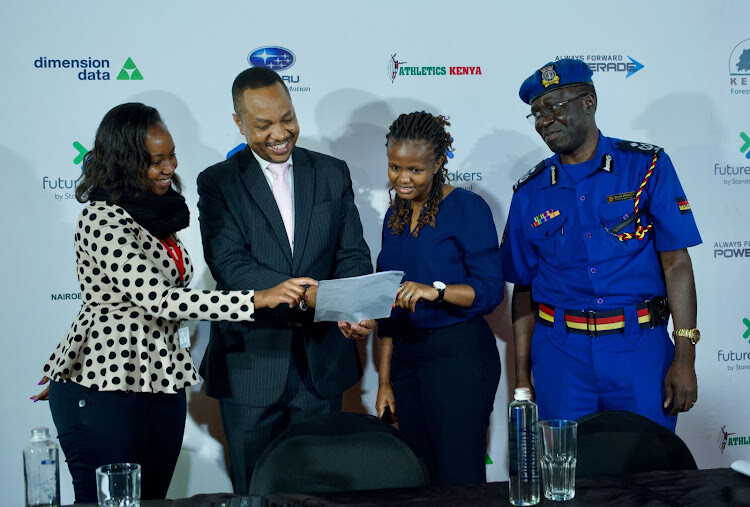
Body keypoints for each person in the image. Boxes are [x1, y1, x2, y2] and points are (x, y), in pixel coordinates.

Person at [31, 103, 314, 503]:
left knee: (153, 501)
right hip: (104, 382)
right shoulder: (101, 218)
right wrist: (259, 298)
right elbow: (160, 299)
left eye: (171, 156)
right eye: (155, 161)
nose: (169, 168)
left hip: (160, 378)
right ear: (125, 162)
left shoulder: (157, 216)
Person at [196, 67, 373, 493]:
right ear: (239, 123)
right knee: (255, 491)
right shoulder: (217, 182)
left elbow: (352, 253)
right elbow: (230, 266)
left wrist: (352, 305)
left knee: (320, 492)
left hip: (321, 364)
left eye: (287, 118)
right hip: (250, 367)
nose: (280, 133)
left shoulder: (331, 172)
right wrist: (311, 296)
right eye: (263, 125)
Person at [500, 58, 701, 431]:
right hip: (561, 357)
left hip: (640, 350)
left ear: (588, 102)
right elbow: (523, 288)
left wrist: (685, 356)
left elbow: (677, 264)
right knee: (566, 464)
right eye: (537, 113)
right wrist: (522, 378)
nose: (544, 120)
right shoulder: (529, 192)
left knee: (647, 461)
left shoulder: (647, 167)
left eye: (554, 107)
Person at [375, 112, 503, 485]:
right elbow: (388, 308)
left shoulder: (467, 207)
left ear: (439, 162)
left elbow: (491, 289)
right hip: (406, 359)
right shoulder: (394, 215)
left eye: (415, 170)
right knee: (418, 474)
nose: (403, 178)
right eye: (395, 167)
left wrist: (438, 290)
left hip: (459, 356)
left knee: (459, 477)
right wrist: (384, 381)